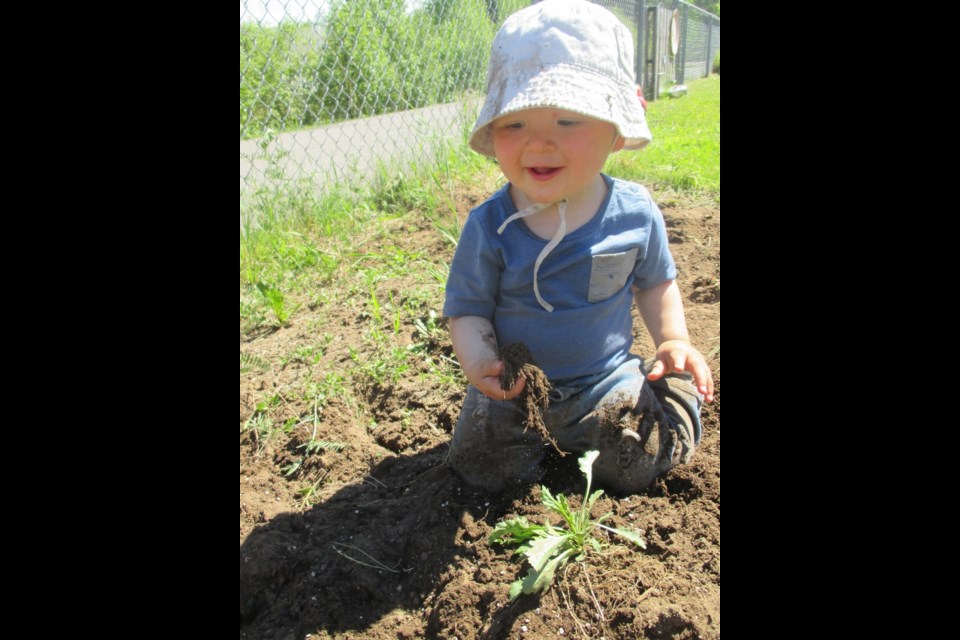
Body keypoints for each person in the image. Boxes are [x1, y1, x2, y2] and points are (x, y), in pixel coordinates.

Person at [443, 0, 714, 494]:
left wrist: (672, 339)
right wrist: (479, 363)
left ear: (617, 128)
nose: (540, 143)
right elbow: (468, 309)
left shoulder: (634, 213)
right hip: (512, 388)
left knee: (636, 461)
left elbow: (656, 284)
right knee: (480, 470)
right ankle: (519, 450)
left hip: (605, 384)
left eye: (569, 121)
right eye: (516, 123)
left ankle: (676, 397)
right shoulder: (490, 226)